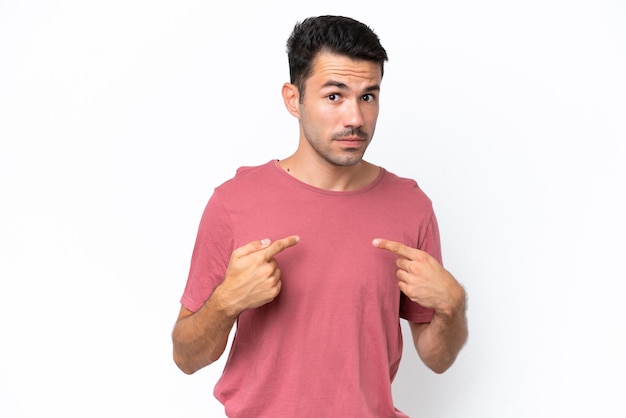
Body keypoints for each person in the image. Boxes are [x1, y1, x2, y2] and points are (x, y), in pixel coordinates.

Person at [172, 15, 468, 417]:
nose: (355, 119)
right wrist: (226, 303)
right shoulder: (234, 202)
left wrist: (452, 305)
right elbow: (186, 357)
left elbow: (437, 358)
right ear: (293, 99)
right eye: (334, 96)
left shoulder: (410, 206)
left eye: (368, 96)